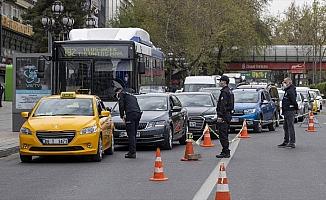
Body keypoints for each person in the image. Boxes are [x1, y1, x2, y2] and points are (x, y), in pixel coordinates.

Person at [115, 87, 142, 158]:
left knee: (130, 134)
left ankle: (132, 153)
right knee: (134, 134)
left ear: (118, 92)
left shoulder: (121, 94)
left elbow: (121, 106)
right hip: (138, 113)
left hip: (130, 114)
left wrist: (122, 116)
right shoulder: (131, 95)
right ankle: (133, 151)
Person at [216, 75, 234, 158]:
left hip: (224, 116)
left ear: (224, 82)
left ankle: (226, 151)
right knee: (224, 133)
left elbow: (223, 105)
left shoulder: (225, 92)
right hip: (228, 115)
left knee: (223, 134)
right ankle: (225, 150)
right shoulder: (229, 91)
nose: (219, 82)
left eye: (220, 81)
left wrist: (220, 115)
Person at [278, 77, 298, 149]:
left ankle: (292, 142)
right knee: (285, 127)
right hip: (286, 111)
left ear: (289, 83)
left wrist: (295, 108)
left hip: (290, 110)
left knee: (290, 127)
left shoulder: (290, 91)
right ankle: (286, 141)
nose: (283, 84)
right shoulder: (287, 90)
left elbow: (293, 100)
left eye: (285, 82)